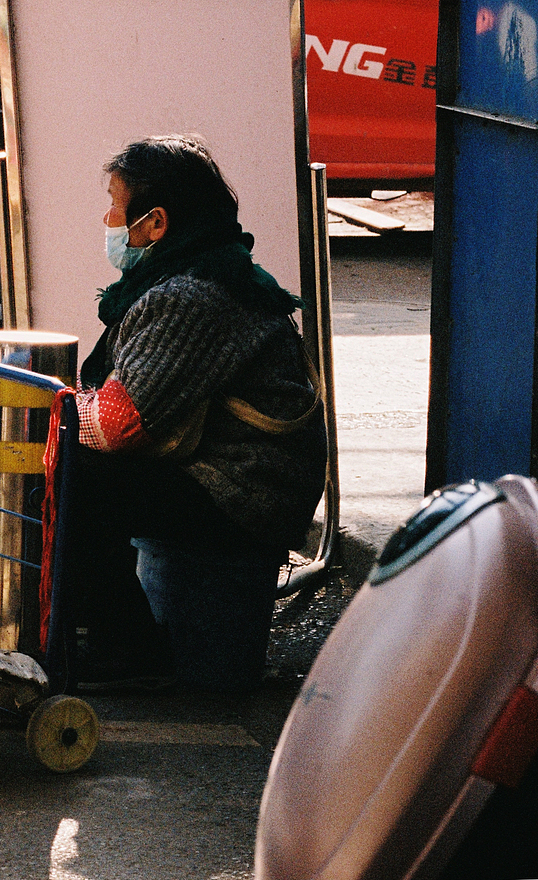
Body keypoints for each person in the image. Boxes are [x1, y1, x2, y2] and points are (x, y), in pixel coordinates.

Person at [58, 134, 326, 692]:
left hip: (248, 489)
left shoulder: (190, 296)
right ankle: (92, 629)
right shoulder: (190, 276)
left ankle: (129, 646)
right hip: (223, 472)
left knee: (73, 475)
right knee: (75, 466)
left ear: (155, 223)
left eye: (115, 203)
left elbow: (119, 425)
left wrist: (54, 412)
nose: (107, 218)